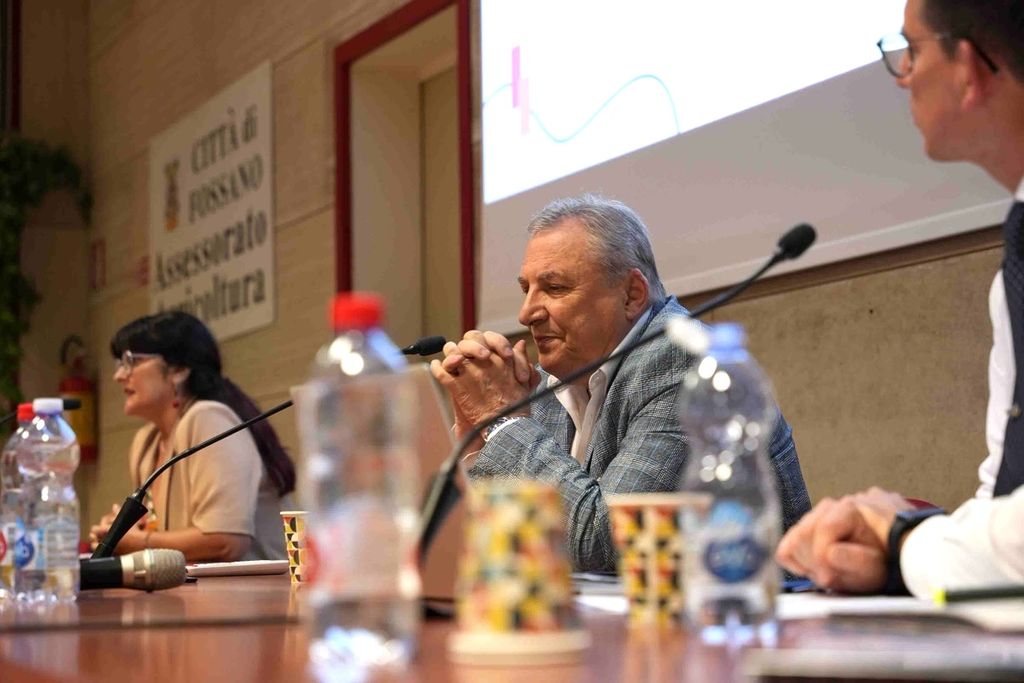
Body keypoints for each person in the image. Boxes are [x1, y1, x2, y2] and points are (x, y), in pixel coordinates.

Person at [776, 0, 1024, 597]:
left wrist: (906, 539)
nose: (903, 75)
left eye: (911, 50)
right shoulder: (1011, 271)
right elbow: (1003, 500)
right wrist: (891, 554)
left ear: (968, 69)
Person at [431, 195, 811, 572]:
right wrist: (476, 438)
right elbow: (503, 551)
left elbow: (607, 543)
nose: (526, 312)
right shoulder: (549, 382)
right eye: (525, 289)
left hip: (748, 605)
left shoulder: (686, 362)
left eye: (555, 288)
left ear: (631, 295)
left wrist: (502, 421)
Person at [89, 311, 295, 562]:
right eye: (120, 363)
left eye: (132, 361)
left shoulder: (207, 418)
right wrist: (122, 531)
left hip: (265, 586)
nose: (119, 375)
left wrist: (135, 542)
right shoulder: (146, 443)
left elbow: (226, 542)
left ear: (178, 370)